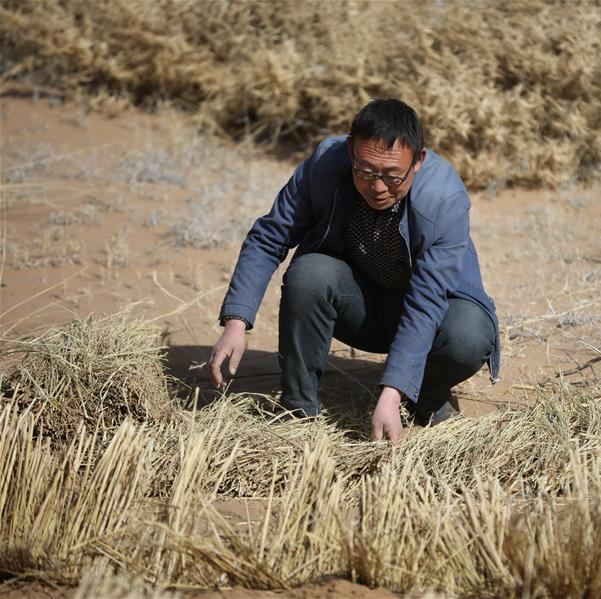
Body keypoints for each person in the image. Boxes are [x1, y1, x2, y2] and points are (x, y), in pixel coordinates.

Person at [208, 98, 500, 442]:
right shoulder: (324, 165)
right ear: (350, 151)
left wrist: (392, 392)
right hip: (358, 307)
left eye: (392, 176)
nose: (377, 187)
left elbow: (427, 301)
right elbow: (269, 236)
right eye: (365, 171)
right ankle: (298, 409)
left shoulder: (444, 198)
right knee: (309, 274)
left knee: (469, 335)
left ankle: (424, 397)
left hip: (430, 318)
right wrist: (236, 322)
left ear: (418, 161)